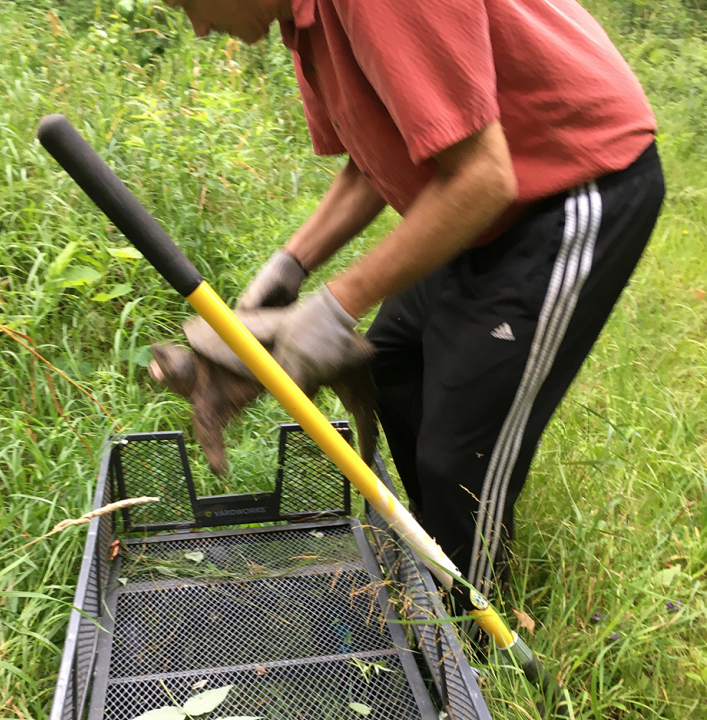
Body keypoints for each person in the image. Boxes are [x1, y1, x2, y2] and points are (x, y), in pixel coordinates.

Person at [165, 0, 665, 598]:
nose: (195, 26)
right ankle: (441, 558)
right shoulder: (304, 22)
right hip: (472, 197)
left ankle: (476, 641)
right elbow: (375, 163)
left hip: (568, 182)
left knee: (458, 455)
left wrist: (332, 308)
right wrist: (288, 270)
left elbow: (484, 176)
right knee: (395, 368)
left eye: (183, 2)